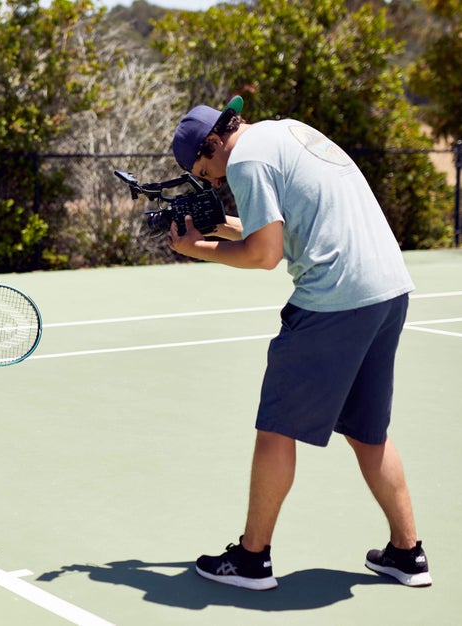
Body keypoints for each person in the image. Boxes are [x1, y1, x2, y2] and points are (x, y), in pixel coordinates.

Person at [168, 96, 431, 590]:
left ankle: (251, 560)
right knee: (369, 432)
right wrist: (218, 226)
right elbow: (289, 233)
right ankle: (407, 553)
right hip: (388, 290)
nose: (213, 182)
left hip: (336, 299)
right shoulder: (286, 132)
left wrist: (195, 249)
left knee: (276, 428)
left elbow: (265, 255)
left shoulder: (245, 160)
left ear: (213, 143)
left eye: (206, 171)